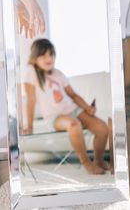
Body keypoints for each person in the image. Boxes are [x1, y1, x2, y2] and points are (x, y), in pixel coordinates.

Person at [23, 38, 111, 174]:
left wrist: (88, 108)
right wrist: (29, 126)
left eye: (51, 54)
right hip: (55, 116)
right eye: (44, 55)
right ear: (34, 59)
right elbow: (31, 100)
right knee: (74, 124)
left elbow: (73, 95)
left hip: (74, 110)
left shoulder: (58, 73)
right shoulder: (31, 72)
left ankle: (98, 161)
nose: (49, 58)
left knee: (102, 128)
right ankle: (87, 164)